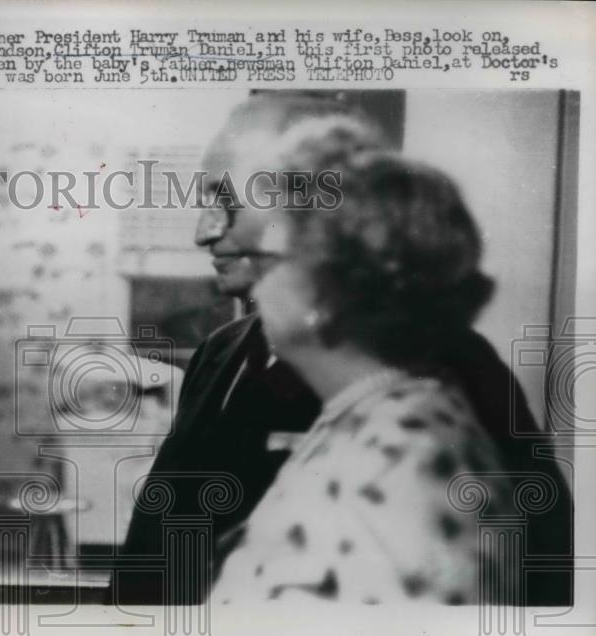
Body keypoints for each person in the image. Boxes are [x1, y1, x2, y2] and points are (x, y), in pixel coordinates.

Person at [110, 94, 572, 607]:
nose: (206, 231)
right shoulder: (222, 351)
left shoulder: (450, 367)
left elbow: (542, 567)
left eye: (228, 201)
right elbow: (156, 536)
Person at [213, 150, 513, 605]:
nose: (256, 279)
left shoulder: (398, 454)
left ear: (329, 294)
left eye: (271, 260)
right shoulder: (389, 411)